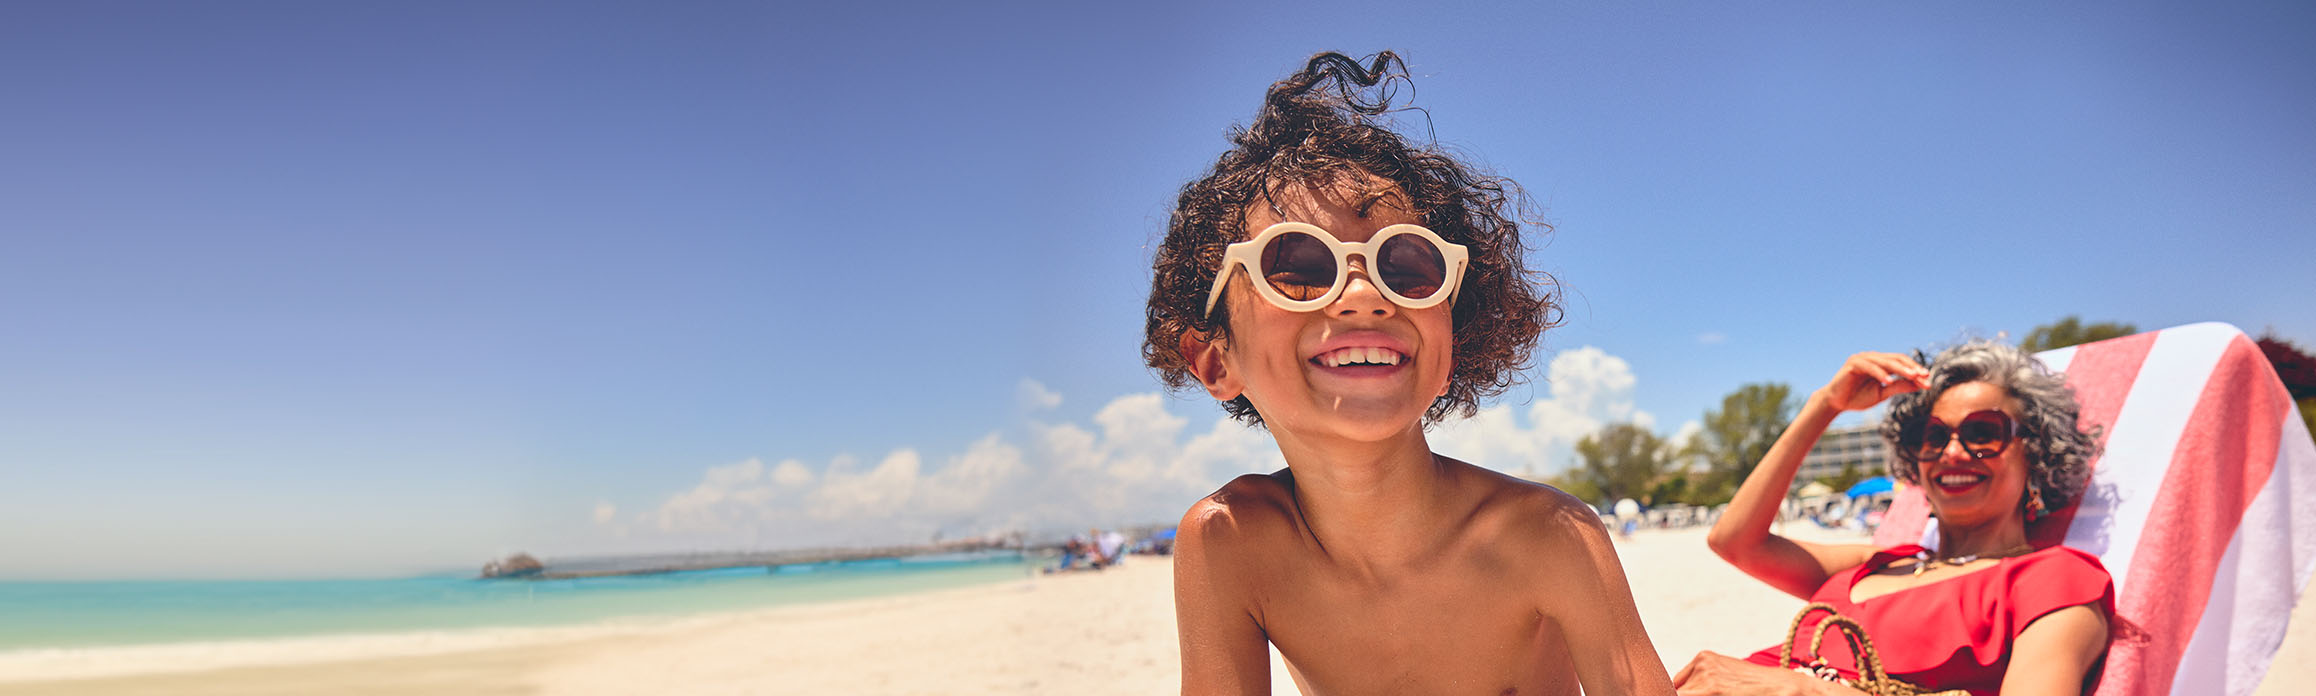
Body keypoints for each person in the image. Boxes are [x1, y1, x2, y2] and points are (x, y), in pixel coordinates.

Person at [1144, 51, 1671, 696]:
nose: (1365, 293)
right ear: (1215, 359)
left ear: (1449, 349)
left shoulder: (1550, 536)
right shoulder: (1229, 541)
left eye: (1409, 268)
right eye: (1300, 264)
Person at [1675, 343, 2114, 696]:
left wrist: (1806, 691)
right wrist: (1824, 405)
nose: (1953, 452)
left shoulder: (2052, 581)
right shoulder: (1875, 562)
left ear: (2036, 452)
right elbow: (1734, 541)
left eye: (1983, 432)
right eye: (1934, 436)